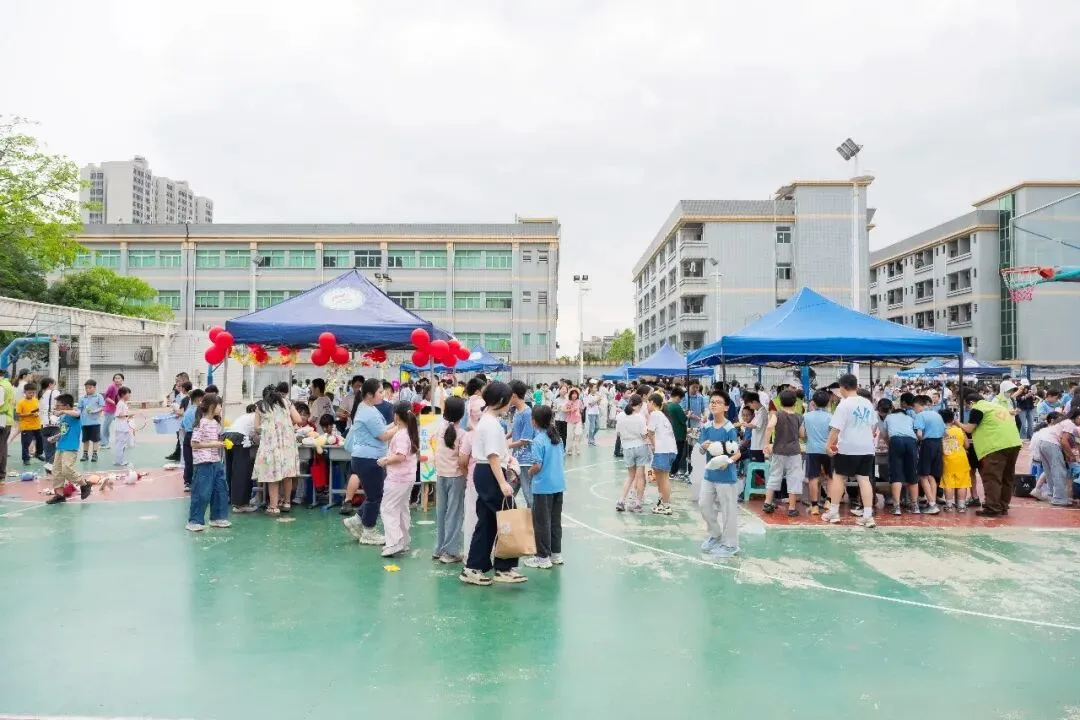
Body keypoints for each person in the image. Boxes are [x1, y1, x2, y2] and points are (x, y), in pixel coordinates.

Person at [460, 381, 527, 586]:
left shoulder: (488, 421)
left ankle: (476, 566)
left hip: (485, 472)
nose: (510, 405)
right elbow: (492, 456)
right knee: (507, 516)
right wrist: (503, 483)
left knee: (488, 521)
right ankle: (503, 567)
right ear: (500, 401)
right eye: (508, 401)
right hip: (490, 473)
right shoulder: (490, 424)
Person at [342, 379, 397, 541]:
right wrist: (400, 427)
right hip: (368, 459)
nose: (383, 395)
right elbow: (383, 435)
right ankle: (369, 531)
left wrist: (395, 424)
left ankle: (357, 520)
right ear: (369, 395)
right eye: (380, 392)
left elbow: (382, 429)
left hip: (367, 457)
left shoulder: (368, 408)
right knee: (375, 497)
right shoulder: (368, 412)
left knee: (375, 494)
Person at [955, 388, 1024, 517]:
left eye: (967, 405)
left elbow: (969, 428)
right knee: (1006, 477)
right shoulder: (996, 407)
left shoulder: (978, 408)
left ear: (971, 402)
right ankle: (1003, 506)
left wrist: (956, 422)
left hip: (996, 446)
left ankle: (992, 508)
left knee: (992, 477)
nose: (967, 408)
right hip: (1014, 443)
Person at [825, 374, 877, 527]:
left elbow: (836, 428)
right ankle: (867, 516)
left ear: (842, 387)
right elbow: (873, 426)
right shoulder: (868, 403)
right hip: (867, 447)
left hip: (848, 447)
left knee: (839, 477)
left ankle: (833, 513)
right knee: (864, 479)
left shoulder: (844, 404)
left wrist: (828, 445)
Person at [697, 391, 741, 557]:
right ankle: (715, 535)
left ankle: (731, 545)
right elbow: (702, 450)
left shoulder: (729, 429)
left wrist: (727, 462)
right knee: (704, 505)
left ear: (726, 407)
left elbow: (737, 454)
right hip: (710, 475)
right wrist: (703, 446)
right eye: (712, 402)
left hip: (726, 477)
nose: (713, 404)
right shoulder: (707, 427)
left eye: (718, 402)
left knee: (728, 511)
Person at [523, 404, 566, 569]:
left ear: (534, 421)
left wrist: (529, 473)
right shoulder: (557, 437)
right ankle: (556, 554)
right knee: (555, 521)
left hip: (543, 486)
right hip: (558, 484)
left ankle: (542, 557)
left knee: (541, 522)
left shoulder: (538, 440)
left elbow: (537, 465)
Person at [253, 384, 303, 516]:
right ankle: (287, 502)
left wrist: (268, 427)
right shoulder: (287, 402)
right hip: (288, 442)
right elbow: (298, 419)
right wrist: (284, 425)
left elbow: (256, 428)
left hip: (271, 444)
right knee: (288, 472)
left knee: (272, 474)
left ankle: (274, 507)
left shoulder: (261, 406)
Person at [378, 402, 419, 558]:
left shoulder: (401, 435)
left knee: (388, 508)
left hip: (397, 479)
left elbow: (400, 456)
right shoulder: (409, 431)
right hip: (407, 478)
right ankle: (403, 541)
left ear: (397, 416)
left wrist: (386, 460)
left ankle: (394, 542)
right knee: (401, 508)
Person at [432, 396, 469, 563]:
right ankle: (451, 552)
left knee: (441, 512)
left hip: (440, 475)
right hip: (456, 477)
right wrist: (466, 475)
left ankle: (439, 548)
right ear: (462, 414)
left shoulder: (441, 429)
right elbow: (462, 461)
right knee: (454, 514)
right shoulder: (462, 435)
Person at [187, 395, 231, 532]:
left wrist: (224, 442)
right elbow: (194, 444)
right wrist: (215, 444)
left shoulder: (216, 424)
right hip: (203, 462)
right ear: (212, 406)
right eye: (219, 405)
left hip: (216, 461)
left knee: (220, 490)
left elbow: (219, 437)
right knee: (202, 492)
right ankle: (195, 520)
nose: (221, 408)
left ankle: (217, 517)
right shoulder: (202, 423)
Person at [763, 389, 805, 516]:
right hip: (794, 452)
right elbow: (802, 434)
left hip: (778, 451)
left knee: (775, 475)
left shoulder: (777, 415)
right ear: (795, 404)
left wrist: (766, 444)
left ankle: (767, 502)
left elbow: (770, 427)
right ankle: (792, 508)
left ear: (780, 403)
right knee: (794, 477)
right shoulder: (799, 417)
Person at [45, 394, 91, 504]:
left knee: (67, 469)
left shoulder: (74, 415)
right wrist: (55, 438)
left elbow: (77, 413)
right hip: (60, 447)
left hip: (70, 448)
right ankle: (60, 495)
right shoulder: (62, 417)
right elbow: (64, 431)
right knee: (56, 471)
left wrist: (63, 411)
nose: (57, 408)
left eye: (59, 405)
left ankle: (84, 484)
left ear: (66, 405)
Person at [882, 398, 921, 516]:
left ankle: (897, 507)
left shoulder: (889, 417)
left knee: (896, 475)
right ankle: (915, 506)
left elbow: (885, 435)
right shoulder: (910, 418)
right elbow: (916, 433)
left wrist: (890, 445)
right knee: (912, 475)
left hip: (896, 441)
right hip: (911, 442)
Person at [615, 394, 649, 512]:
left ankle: (621, 501)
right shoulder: (640, 417)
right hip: (640, 447)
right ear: (639, 405)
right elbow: (644, 434)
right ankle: (638, 503)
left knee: (630, 476)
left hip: (627, 448)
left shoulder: (620, 416)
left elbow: (618, 433)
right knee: (640, 477)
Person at [913, 394, 945, 514]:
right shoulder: (937, 415)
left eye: (914, 407)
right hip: (938, 444)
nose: (914, 410)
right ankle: (932, 501)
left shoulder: (920, 415)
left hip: (927, 444)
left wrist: (918, 439)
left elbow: (920, 434)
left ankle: (932, 504)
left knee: (923, 475)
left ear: (919, 405)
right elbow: (944, 432)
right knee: (932, 475)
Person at [646, 392, 677, 515]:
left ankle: (666, 505)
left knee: (663, 478)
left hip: (663, 450)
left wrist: (654, 447)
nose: (647, 405)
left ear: (653, 403)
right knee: (661, 478)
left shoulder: (655, 414)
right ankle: (662, 501)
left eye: (647, 402)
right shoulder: (662, 415)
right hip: (669, 450)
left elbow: (650, 433)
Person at [802, 390, 832, 516]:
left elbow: (802, 434)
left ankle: (814, 506)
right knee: (830, 477)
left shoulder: (806, 416)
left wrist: (808, 439)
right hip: (828, 450)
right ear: (827, 403)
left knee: (813, 478)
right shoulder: (831, 416)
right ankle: (829, 502)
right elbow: (835, 434)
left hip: (812, 449)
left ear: (813, 402)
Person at [508, 381, 536, 508]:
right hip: (516, 460)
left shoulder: (527, 413)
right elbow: (516, 429)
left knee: (528, 495)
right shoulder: (518, 411)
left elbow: (525, 439)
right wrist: (506, 437)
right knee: (509, 493)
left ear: (513, 395)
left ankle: (535, 523)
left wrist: (506, 446)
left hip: (525, 461)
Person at [226, 403, 258, 513]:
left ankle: (231, 499)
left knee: (231, 470)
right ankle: (241, 504)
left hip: (228, 436)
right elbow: (258, 433)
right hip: (239, 438)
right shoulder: (257, 416)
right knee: (242, 471)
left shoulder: (246, 416)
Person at [938, 409, 971, 512]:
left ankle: (949, 506)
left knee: (948, 484)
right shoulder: (959, 430)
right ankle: (961, 506)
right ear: (953, 420)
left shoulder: (940, 431)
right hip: (961, 460)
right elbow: (967, 445)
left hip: (947, 460)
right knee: (962, 483)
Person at [181, 388, 206, 492]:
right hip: (197, 435)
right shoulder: (200, 410)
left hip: (187, 436)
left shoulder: (187, 410)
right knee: (201, 459)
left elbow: (182, 425)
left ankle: (187, 482)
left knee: (189, 461)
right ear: (200, 398)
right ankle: (200, 481)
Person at [77, 379, 105, 462]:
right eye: (86, 388)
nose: (88, 390)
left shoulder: (99, 396)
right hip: (84, 423)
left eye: (90, 388)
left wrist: (95, 411)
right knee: (85, 439)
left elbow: (102, 407)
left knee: (95, 439)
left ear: (94, 387)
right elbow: (79, 409)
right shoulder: (82, 398)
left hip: (95, 422)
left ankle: (94, 454)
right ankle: (85, 454)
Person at [16, 382, 44, 465]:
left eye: (33, 392)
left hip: (37, 425)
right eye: (29, 393)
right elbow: (18, 414)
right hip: (26, 427)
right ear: (25, 392)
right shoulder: (21, 403)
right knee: (26, 443)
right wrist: (29, 414)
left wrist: (37, 414)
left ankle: (38, 454)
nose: (31, 394)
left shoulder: (36, 401)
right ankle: (26, 459)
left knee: (40, 441)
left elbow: (39, 410)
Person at [667, 387, 689, 482]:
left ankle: (670, 472)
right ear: (677, 397)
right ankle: (673, 473)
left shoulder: (666, 405)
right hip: (679, 434)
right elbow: (683, 419)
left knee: (672, 454)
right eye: (680, 399)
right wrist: (687, 415)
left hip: (670, 434)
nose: (680, 401)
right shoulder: (676, 406)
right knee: (678, 455)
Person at [38, 377, 60, 467]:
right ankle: (54, 466)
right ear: (50, 385)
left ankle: (48, 470)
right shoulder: (55, 392)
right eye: (54, 384)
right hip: (55, 423)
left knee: (47, 449)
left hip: (44, 424)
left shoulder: (40, 394)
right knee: (61, 447)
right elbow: (59, 405)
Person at [99, 373, 124, 450]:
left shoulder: (120, 388)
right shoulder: (112, 387)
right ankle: (103, 444)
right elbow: (106, 397)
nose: (117, 380)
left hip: (116, 410)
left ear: (122, 380)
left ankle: (123, 441)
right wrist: (114, 403)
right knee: (105, 426)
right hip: (109, 410)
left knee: (121, 425)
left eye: (118, 378)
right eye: (115, 378)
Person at [112, 386, 134, 467]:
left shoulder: (123, 403)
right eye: (128, 394)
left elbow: (123, 415)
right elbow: (118, 414)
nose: (129, 396)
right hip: (121, 428)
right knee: (120, 444)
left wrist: (128, 417)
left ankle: (119, 460)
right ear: (123, 394)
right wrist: (128, 415)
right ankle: (120, 461)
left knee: (121, 444)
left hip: (123, 427)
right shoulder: (120, 403)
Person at [0, 369, 14, 478]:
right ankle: (2, 473)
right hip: (6, 418)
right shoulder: (7, 384)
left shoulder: (1, 386)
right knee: (3, 446)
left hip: (1, 417)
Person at [565, 388, 584, 456]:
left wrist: (579, 410)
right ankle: (569, 450)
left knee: (578, 435)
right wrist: (571, 409)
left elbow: (582, 409)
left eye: (575, 394)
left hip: (578, 420)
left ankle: (577, 450)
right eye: (573, 394)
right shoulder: (568, 402)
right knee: (570, 436)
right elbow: (566, 410)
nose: (574, 395)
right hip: (570, 420)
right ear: (570, 395)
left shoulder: (579, 401)